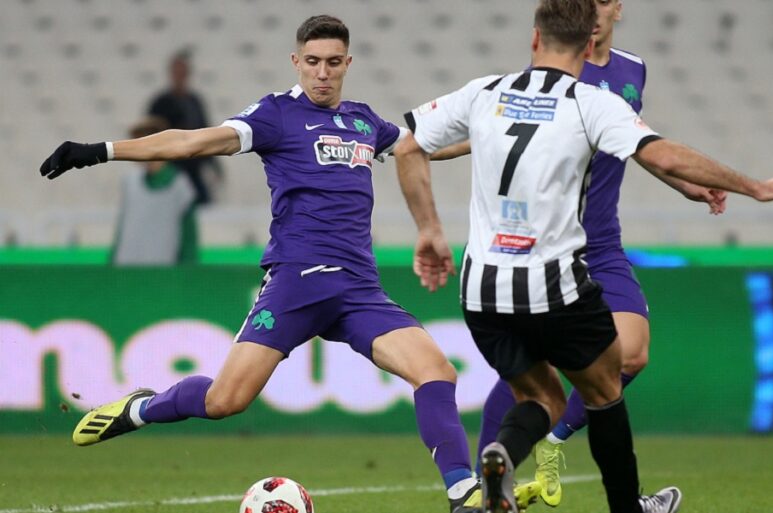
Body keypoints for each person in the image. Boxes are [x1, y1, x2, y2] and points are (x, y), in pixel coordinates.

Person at [39, 15, 539, 513]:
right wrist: (101, 151)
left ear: (348, 63)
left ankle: (461, 492)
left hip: (358, 290)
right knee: (224, 401)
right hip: (296, 284)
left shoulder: (364, 121)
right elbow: (193, 142)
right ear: (296, 61)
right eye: (313, 62)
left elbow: (419, 146)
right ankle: (143, 407)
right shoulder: (275, 115)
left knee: (436, 371)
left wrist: (499, 135)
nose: (323, 73)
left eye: (333, 63)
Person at [393, 1, 773, 512]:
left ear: (534, 38)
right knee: (604, 390)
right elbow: (663, 152)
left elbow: (409, 145)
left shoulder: (486, 91)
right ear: (587, 44)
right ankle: (626, 506)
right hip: (555, 278)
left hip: (481, 285)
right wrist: (757, 187)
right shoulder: (589, 102)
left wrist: (429, 229)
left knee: (541, 397)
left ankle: (500, 458)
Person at [111, 116, 198, 265]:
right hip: (126, 270)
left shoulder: (181, 187)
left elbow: (189, 239)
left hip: (161, 272)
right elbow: (122, 229)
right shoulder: (130, 183)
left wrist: (188, 271)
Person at [148, 49, 223, 206]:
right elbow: (151, 133)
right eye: (177, 72)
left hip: (193, 167)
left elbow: (206, 131)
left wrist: (214, 163)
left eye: (183, 72)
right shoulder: (161, 103)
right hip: (171, 168)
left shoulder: (194, 101)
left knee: (202, 204)